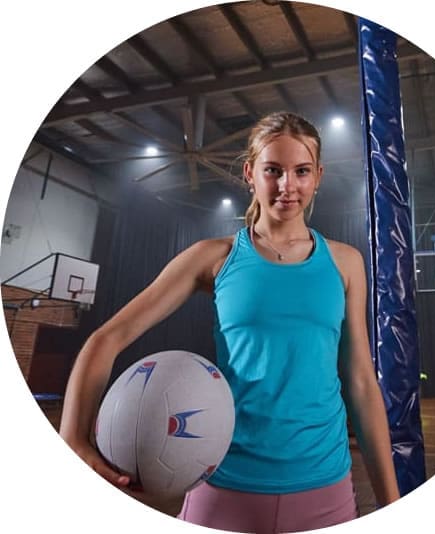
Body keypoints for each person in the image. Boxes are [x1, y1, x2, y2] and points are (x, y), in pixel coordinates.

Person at [60, 111, 400, 532]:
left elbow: (361, 381)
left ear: (318, 177)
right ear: (249, 173)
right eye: (272, 170)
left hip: (324, 490)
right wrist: (73, 437)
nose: (287, 185)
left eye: (301, 171)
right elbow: (107, 338)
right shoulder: (214, 257)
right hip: (223, 485)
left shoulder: (346, 262)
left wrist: (391, 506)